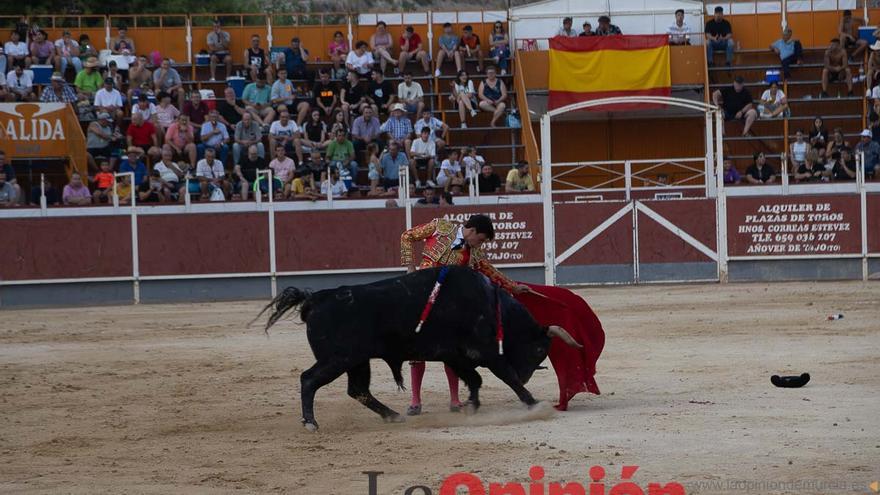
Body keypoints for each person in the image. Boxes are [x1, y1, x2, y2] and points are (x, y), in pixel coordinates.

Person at [399, 214, 538, 416]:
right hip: (421, 296)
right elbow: (407, 236)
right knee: (416, 350)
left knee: (450, 350)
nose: (479, 244)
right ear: (471, 230)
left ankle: (455, 400)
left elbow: (489, 270)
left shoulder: (474, 253)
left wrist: (513, 287)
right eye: (480, 239)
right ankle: (415, 400)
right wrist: (410, 267)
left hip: (448, 305)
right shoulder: (440, 226)